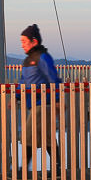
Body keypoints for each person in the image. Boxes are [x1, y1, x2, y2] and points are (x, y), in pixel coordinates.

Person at [19, 24, 62, 168]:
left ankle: (23, 169)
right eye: (22, 42)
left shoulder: (42, 58)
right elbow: (24, 81)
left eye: (24, 41)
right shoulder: (28, 60)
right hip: (34, 104)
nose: (22, 45)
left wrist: (56, 100)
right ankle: (58, 167)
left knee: (29, 136)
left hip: (43, 104)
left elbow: (52, 78)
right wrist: (17, 96)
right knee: (48, 138)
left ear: (34, 41)